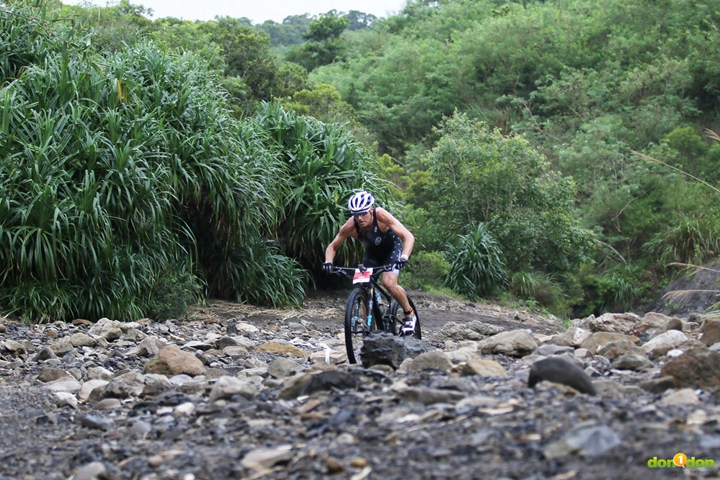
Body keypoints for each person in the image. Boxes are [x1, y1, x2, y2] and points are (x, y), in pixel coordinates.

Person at [323, 191, 417, 334]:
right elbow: (332, 246)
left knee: (389, 283)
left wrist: (404, 257)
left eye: (363, 213)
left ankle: (409, 315)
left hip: (392, 249)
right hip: (373, 253)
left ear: (371, 209)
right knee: (362, 284)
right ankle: (370, 328)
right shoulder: (350, 225)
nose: (359, 218)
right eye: (356, 214)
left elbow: (408, 236)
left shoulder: (380, 215)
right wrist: (328, 262)